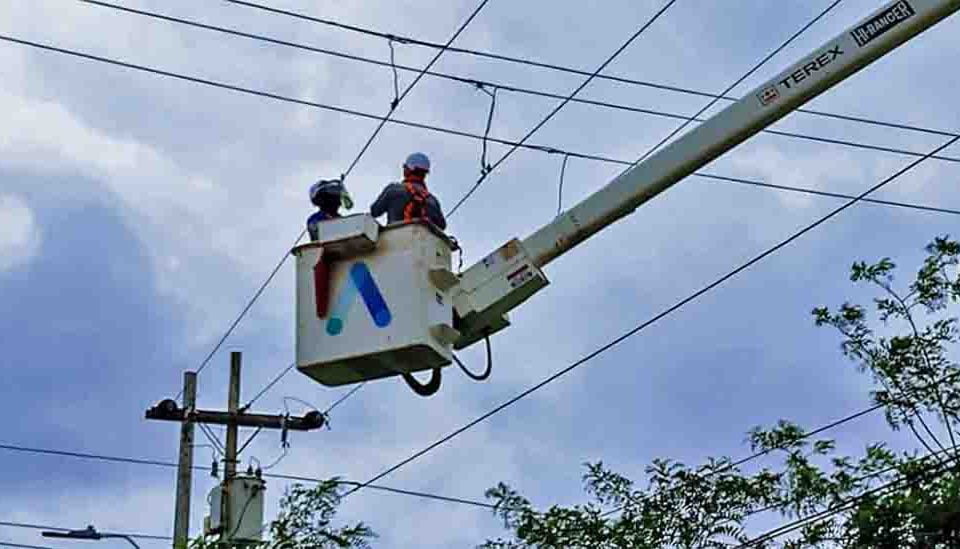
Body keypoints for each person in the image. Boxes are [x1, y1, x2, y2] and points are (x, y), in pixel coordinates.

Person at [370, 152, 447, 230]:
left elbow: (375, 211)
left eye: (404, 167)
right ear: (424, 174)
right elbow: (442, 226)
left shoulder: (393, 189)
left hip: (395, 238)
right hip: (423, 240)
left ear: (408, 170)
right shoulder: (432, 200)